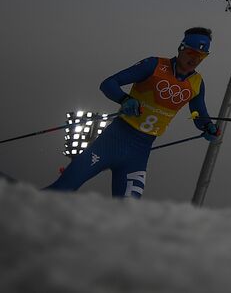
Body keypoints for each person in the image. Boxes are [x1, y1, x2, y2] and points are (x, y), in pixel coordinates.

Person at [46, 27, 220, 198]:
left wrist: (208, 127)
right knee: (62, 190)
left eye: (202, 55)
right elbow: (108, 83)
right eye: (191, 52)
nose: (195, 59)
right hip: (111, 142)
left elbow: (199, 115)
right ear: (181, 48)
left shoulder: (197, 83)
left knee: (128, 210)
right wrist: (124, 99)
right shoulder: (154, 65)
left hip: (139, 153)